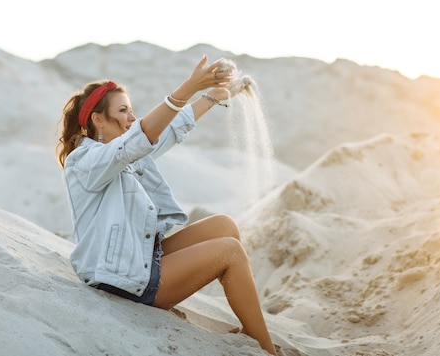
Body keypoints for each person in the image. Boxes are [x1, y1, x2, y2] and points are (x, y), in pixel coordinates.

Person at [56, 56, 278, 356]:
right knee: (229, 251)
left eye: (131, 111)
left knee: (224, 225)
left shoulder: (120, 154)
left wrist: (212, 96)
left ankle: (247, 319)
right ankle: (264, 345)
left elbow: (165, 132)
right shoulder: (84, 161)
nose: (131, 118)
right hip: (124, 280)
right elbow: (142, 137)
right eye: (123, 111)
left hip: (141, 259)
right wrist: (188, 86)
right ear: (98, 120)